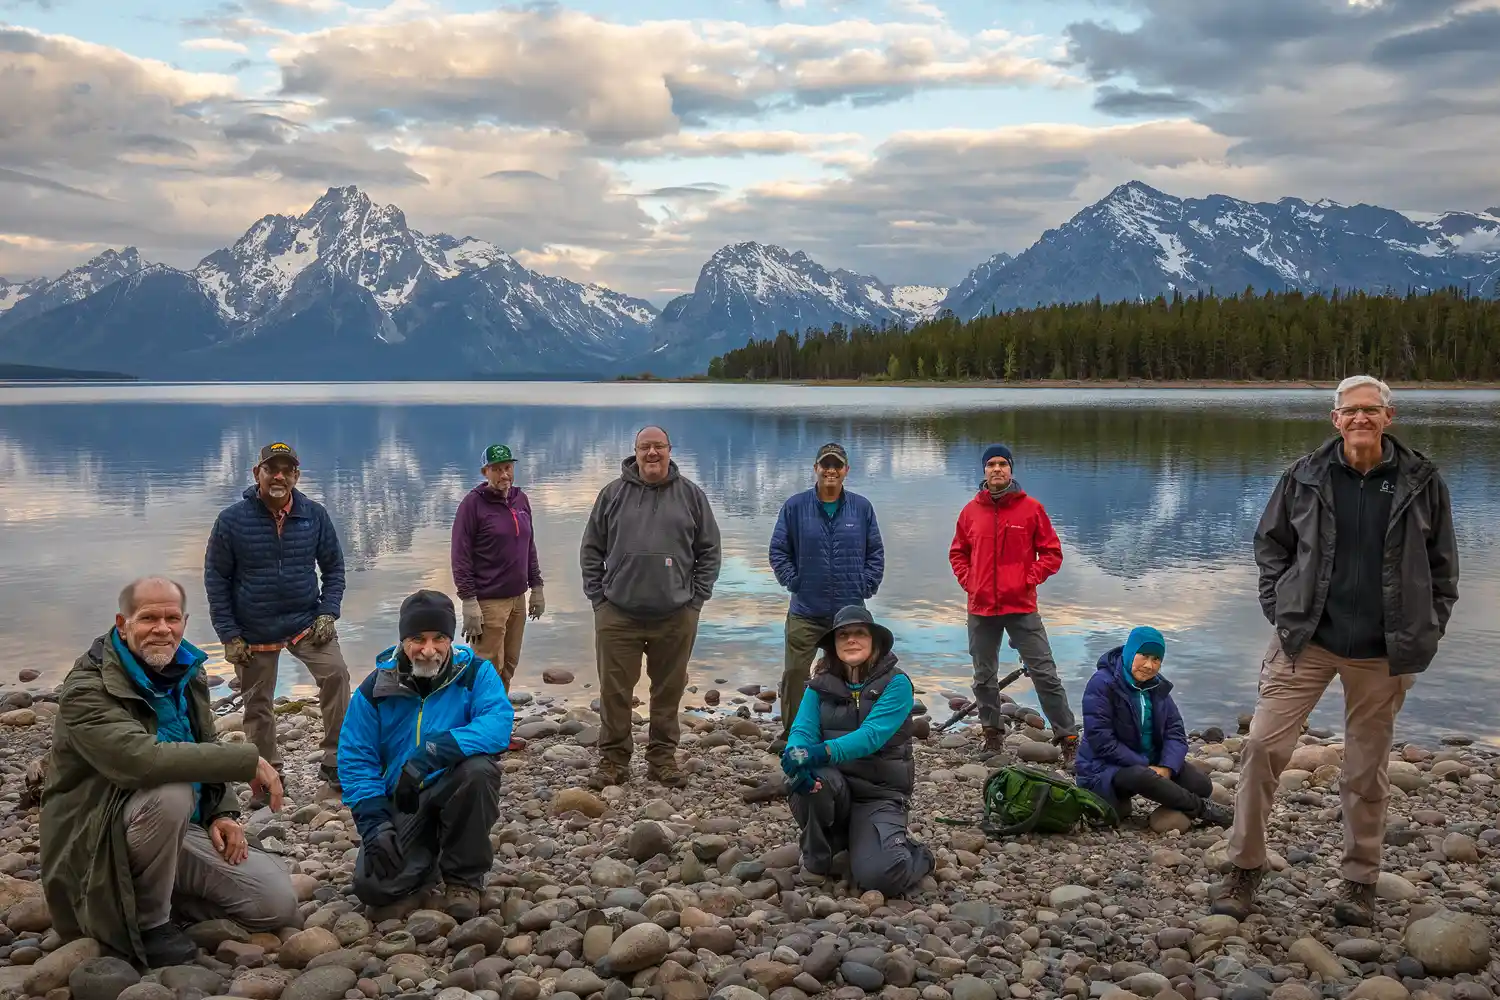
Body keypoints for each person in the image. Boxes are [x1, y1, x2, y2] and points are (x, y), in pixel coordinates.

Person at [1213, 375, 1459, 927]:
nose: (1361, 419)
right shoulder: (1303, 476)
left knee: (1366, 770)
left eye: (1372, 410)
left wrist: (1428, 628)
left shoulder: (1422, 481)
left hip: (1383, 651)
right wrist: (1282, 611)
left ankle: (1359, 881)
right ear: (1335, 419)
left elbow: (1444, 568)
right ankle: (1245, 867)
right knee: (1261, 749)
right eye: (1351, 411)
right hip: (1307, 641)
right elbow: (1269, 546)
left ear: (1389, 418)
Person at [40, 577, 296, 969]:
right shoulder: (87, 689)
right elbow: (141, 760)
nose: (163, 628)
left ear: (185, 621)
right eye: (148, 618)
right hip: (100, 840)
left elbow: (204, 741)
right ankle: (148, 923)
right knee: (171, 788)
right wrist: (246, 760)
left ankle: (159, 894)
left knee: (275, 904)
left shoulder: (185, 672)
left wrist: (220, 813)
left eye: (172, 618)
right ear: (122, 623)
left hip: (174, 829)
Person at [338, 590, 514, 920]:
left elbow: (498, 723)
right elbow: (355, 756)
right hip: (403, 800)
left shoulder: (476, 673)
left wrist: (431, 752)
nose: (428, 650)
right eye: (417, 638)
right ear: (403, 639)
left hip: (453, 785)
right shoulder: (376, 688)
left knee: (480, 771)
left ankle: (464, 879)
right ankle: (429, 855)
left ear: (451, 639)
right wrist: (373, 820)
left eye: (439, 638)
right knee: (374, 888)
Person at [581, 425, 722, 790]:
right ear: (635, 452)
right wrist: (599, 600)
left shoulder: (691, 496)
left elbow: (709, 551)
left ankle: (662, 759)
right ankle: (613, 761)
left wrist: (696, 601)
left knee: (668, 690)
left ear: (670, 450)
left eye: (659, 446)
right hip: (618, 614)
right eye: (646, 447)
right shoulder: (612, 494)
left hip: (676, 615)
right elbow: (591, 550)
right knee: (614, 691)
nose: (652, 454)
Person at [205, 442, 350, 796]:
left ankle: (336, 760)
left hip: (306, 621)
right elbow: (216, 580)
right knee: (257, 704)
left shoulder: (315, 515)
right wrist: (228, 635)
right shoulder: (232, 520)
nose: (279, 476)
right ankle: (267, 772)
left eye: (287, 470)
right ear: (258, 474)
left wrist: (328, 612)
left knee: (337, 675)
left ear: (297, 476)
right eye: (272, 469)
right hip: (254, 627)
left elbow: (334, 569)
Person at [781, 605, 934, 897]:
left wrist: (818, 753)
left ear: (874, 641)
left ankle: (918, 855)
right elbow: (802, 730)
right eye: (843, 635)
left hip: (879, 794)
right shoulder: (820, 684)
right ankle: (818, 856)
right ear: (834, 645)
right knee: (810, 779)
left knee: (881, 877)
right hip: (836, 788)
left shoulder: (896, 684)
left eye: (860, 633)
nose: (851, 640)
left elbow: (870, 737)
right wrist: (795, 758)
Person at [949, 444, 1077, 759]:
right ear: (983, 471)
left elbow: (1051, 553)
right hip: (981, 607)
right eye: (991, 464)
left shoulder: (1031, 509)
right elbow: (958, 553)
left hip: (1021, 606)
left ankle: (1069, 738)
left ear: (1011, 470)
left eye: (1002, 464)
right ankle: (992, 735)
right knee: (983, 676)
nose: (996, 469)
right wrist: (970, 582)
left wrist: (1028, 578)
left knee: (1045, 673)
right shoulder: (970, 511)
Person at [768, 442, 884, 745]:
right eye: (825, 465)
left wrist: (867, 585)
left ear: (846, 470)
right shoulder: (795, 506)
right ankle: (793, 732)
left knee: (856, 672)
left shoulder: (861, 507)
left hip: (850, 612)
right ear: (816, 469)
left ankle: (852, 729)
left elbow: (875, 553)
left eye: (837, 465)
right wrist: (795, 582)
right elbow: (778, 550)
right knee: (795, 672)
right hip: (805, 610)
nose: (831, 470)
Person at [1074, 626, 1232, 827]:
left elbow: (1175, 731)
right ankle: (1203, 810)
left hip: (1147, 764)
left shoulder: (1157, 686)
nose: (1149, 666)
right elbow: (1101, 740)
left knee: (1201, 784)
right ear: (1130, 653)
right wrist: (1145, 765)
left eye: (1156, 660)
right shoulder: (1103, 684)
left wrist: (1166, 766)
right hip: (1103, 769)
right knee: (1142, 777)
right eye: (1144, 656)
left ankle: (1174, 795)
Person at [452, 443, 545, 688]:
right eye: (497, 470)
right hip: (488, 601)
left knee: (510, 663)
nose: (504, 475)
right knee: (486, 667)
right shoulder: (472, 505)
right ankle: (483, 720)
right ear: (485, 472)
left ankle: (499, 717)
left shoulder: (520, 499)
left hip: (518, 598)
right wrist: (468, 601)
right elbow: (460, 555)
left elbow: (529, 546)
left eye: (508, 468)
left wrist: (536, 588)